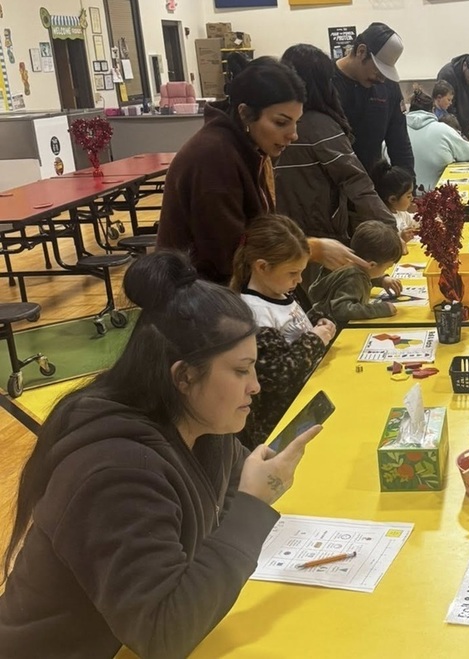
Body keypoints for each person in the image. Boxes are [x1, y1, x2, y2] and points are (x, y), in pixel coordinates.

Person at [0, 251, 319, 658]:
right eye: (241, 371)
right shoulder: (114, 472)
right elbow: (164, 634)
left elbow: (228, 507)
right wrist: (254, 505)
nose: (255, 386)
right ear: (184, 376)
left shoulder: (205, 427)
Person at [158, 56, 363, 284]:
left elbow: (260, 232)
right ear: (245, 113)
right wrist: (311, 249)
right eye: (281, 122)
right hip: (194, 299)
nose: (293, 135)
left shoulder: (250, 147)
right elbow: (232, 255)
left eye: (296, 122)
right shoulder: (214, 157)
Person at [230, 215, 337, 449]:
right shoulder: (254, 314)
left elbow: (294, 327)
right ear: (261, 267)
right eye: (292, 273)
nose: (299, 280)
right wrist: (315, 340)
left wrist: (318, 323)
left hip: (310, 399)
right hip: (283, 424)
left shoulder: (280, 291)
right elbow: (278, 375)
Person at [275, 44, 396, 247]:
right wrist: (390, 226)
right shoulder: (319, 127)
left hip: (283, 235)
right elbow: (356, 180)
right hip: (320, 236)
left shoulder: (277, 124)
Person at [333, 22, 414, 175]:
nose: (382, 79)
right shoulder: (327, 83)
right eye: (378, 70)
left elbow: (400, 145)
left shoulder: (389, 86)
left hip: (373, 185)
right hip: (334, 185)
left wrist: (408, 188)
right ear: (361, 52)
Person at [309, 221, 403, 325]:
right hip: (334, 333)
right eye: (386, 268)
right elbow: (342, 309)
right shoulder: (354, 278)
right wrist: (380, 309)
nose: (385, 271)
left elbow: (366, 272)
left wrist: (382, 280)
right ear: (372, 265)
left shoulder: (351, 266)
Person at [404, 89, 469, 191]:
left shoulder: (396, 132)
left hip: (402, 199)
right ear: (432, 110)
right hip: (437, 199)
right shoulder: (443, 130)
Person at [370, 159, 417, 238]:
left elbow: (413, 220)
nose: (412, 198)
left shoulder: (400, 212)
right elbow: (386, 245)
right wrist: (401, 238)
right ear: (392, 199)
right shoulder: (383, 222)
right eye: (408, 196)